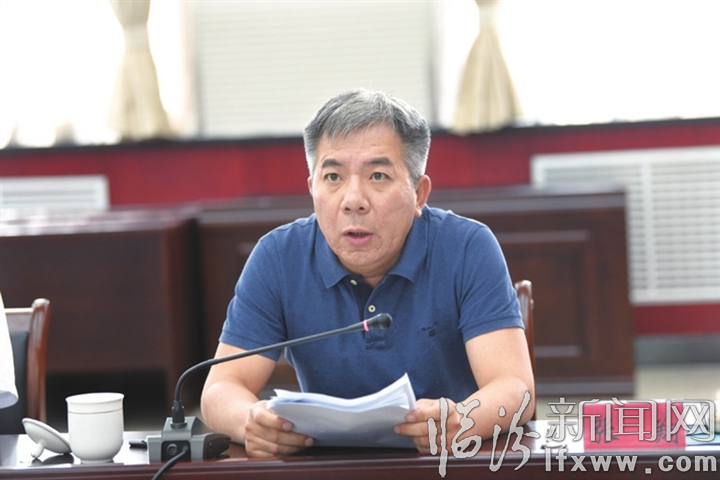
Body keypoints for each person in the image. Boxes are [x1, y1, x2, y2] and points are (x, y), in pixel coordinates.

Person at [201, 89, 534, 458]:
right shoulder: (278, 257)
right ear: (312, 188)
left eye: (377, 175)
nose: (353, 200)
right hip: (326, 467)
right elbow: (220, 389)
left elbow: (514, 387)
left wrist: (462, 420)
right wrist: (250, 420)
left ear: (419, 193)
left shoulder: (467, 247)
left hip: (443, 463)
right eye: (333, 177)